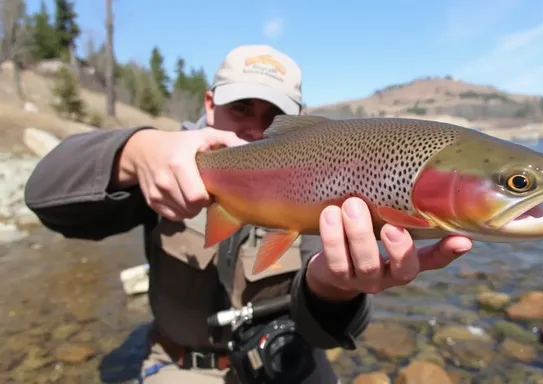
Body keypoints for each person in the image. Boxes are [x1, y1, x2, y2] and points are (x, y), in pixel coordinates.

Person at [24, 44, 473, 383]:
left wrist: (334, 292)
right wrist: (135, 152)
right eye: (241, 107)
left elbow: (326, 334)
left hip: (287, 363)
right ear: (208, 105)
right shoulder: (167, 165)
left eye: (273, 114)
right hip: (183, 367)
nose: (255, 127)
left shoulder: (322, 172)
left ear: (296, 119)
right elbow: (46, 196)